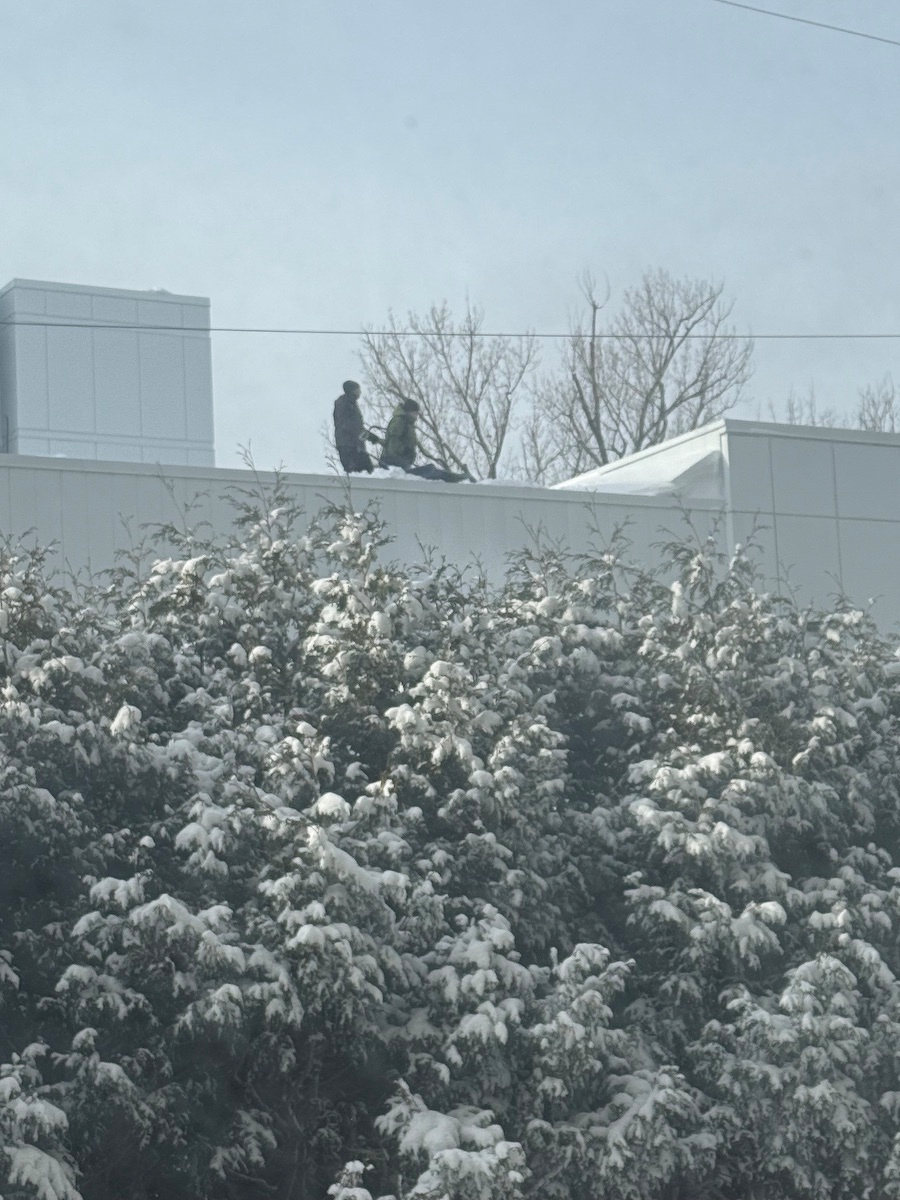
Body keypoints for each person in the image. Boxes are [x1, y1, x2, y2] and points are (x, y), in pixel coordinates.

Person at [379, 398, 469, 483]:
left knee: (431, 471)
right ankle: (453, 477)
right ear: (409, 412)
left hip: (401, 462)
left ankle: (452, 477)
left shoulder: (407, 422)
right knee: (430, 471)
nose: (416, 416)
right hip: (394, 463)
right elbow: (393, 443)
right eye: (415, 413)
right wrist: (404, 451)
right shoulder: (400, 422)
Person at [333, 380, 381, 474]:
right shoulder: (345, 404)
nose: (360, 392)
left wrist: (368, 436)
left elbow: (356, 426)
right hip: (349, 445)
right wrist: (367, 435)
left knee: (365, 471)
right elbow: (351, 426)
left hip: (354, 444)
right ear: (352, 391)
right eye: (358, 390)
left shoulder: (351, 404)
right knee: (361, 471)